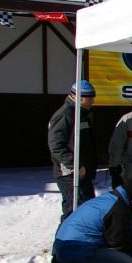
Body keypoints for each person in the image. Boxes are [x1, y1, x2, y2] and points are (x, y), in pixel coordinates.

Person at [47, 80, 98, 221]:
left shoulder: (81, 113)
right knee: (74, 210)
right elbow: (56, 145)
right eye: (90, 98)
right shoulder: (65, 114)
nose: (92, 101)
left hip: (82, 172)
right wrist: (74, 165)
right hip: (70, 174)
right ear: (77, 97)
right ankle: (64, 241)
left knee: (86, 209)